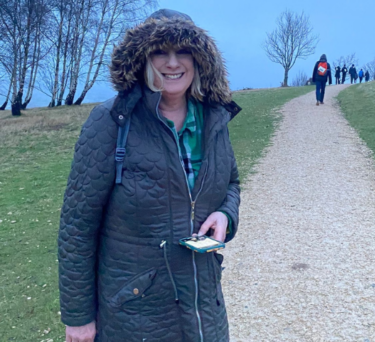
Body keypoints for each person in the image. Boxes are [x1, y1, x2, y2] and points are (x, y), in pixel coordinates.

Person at [59, 9, 240, 342]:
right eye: (160, 51)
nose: (172, 63)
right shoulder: (111, 121)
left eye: (182, 50)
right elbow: (77, 226)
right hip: (135, 315)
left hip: (204, 308)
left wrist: (225, 213)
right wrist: (78, 317)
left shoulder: (215, 119)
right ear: (142, 59)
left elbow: (231, 183)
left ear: (199, 58)